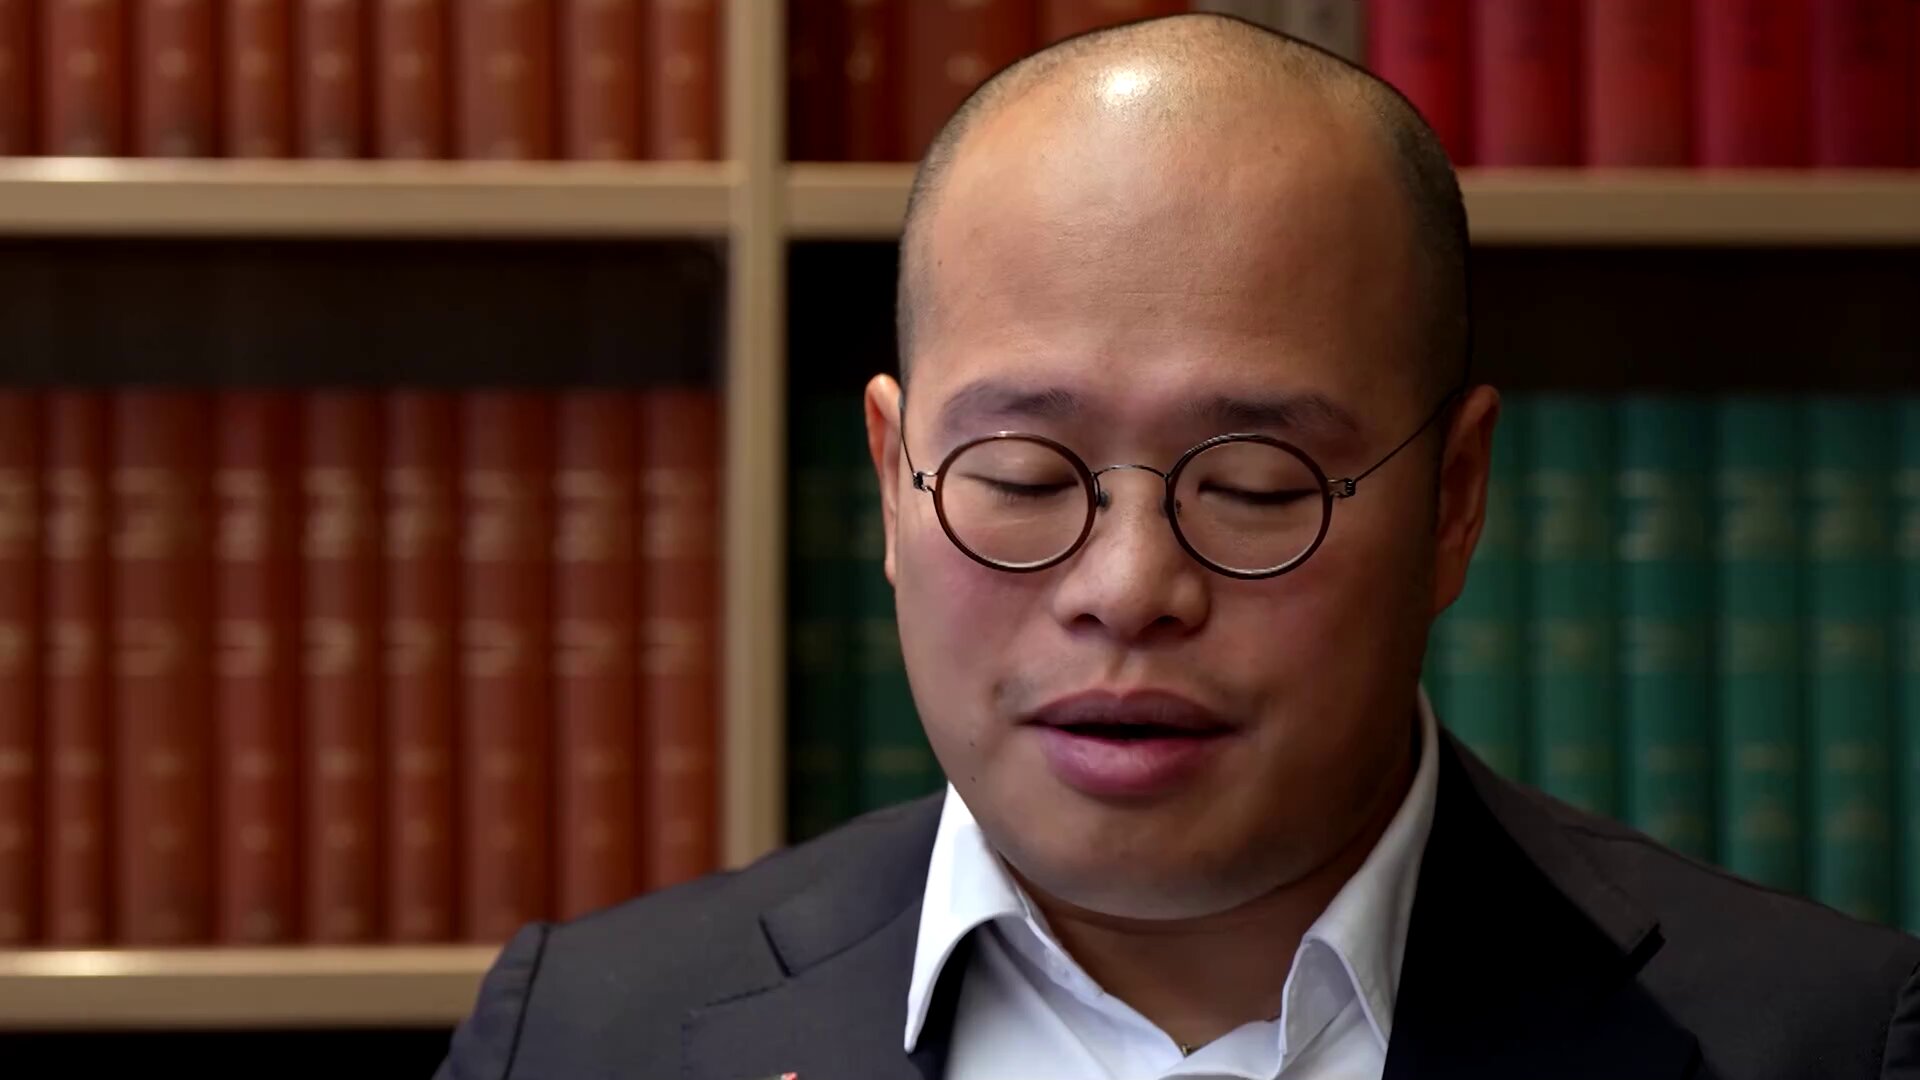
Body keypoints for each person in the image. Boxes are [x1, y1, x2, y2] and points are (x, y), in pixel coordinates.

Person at [436, 14, 1919, 1079]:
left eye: (1259, 487)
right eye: (1024, 476)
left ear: (1454, 501)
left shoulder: (1823, 1040)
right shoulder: (581, 1038)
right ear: (894, 482)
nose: (1130, 588)